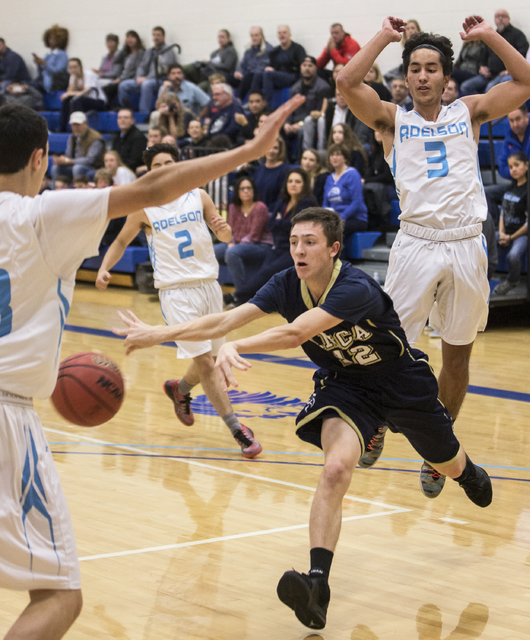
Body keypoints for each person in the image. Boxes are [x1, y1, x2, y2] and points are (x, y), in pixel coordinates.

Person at [0, 95, 303, 639]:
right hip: (8, 418)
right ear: (42, 158)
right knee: (59, 597)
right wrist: (251, 149)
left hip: (197, 285)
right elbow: (150, 193)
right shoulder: (40, 214)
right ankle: (225, 418)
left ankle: (190, 393)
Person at [114, 207, 493, 631]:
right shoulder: (285, 283)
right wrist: (158, 333)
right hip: (347, 387)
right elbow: (225, 318)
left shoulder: (355, 287)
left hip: (401, 382)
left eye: (310, 242)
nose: (299, 250)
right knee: (334, 470)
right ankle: (317, 585)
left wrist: (237, 347)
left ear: (333, 249)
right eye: (294, 242)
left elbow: (296, 334)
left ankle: (466, 471)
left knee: (448, 461)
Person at [336, 16, 530, 442]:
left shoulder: (468, 111)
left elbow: (529, 82)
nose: (423, 75)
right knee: (388, 349)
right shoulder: (391, 120)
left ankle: (439, 443)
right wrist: (384, 38)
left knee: (457, 356)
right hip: (415, 243)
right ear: (406, 77)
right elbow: (347, 82)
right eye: (414, 68)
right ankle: (374, 421)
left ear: (447, 77)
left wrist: (488, 35)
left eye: (432, 68)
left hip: (467, 243)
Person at [95, 142, 261, 457]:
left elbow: (224, 236)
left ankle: (180, 390)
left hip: (209, 286)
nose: (165, 169)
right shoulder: (143, 206)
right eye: (157, 166)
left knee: (209, 361)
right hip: (176, 291)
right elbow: (120, 241)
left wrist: (224, 231)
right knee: (205, 364)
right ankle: (238, 430)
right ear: (149, 171)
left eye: (169, 163)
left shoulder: (198, 195)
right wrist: (105, 268)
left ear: (178, 165)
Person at [230, 168, 317, 305]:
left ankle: (237, 296)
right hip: (278, 247)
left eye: (297, 182)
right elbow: (271, 224)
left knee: (269, 272)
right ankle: (256, 301)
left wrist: (280, 222)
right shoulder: (282, 202)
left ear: (304, 185)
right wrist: (282, 223)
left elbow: (297, 226)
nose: (293, 184)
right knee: (263, 272)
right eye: (290, 181)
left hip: (296, 250)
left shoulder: (307, 203)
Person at [216, 175, 272, 306]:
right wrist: (230, 244)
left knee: (232, 253)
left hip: (261, 246)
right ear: (237, 191)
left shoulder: (260, 207)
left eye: (248, 188)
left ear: (253, 191)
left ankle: (242, 296)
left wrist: (232, 248)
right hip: (238, 245)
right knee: (212, 252)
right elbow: (232, 231)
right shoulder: (233, 207)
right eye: (242, 188)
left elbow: (254, 236)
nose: (246, 191)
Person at [493, 152, 530, 295]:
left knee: (513, 255)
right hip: (507, 233)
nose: (513, 169)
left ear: (526, 165)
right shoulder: (509, 188)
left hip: (525, 235)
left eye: (516, 165)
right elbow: (503, 213)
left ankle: (512, 281)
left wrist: (511, 238)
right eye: (510, 166)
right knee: (483, 240)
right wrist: (501, 233)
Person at [460, 9, 529, 95]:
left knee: (490, 88)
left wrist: (510, 70)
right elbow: (482, 56)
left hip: (505, 74)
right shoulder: (491, 36)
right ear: (494, 20)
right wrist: (482, 68)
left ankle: (486, 107)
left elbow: (523, 54)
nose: (500, 18)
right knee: (466, 86)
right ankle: (478, 107)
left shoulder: (518, 35)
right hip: (489, 74)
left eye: (503, 16)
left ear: (508, 19)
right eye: (497, 16)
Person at [118, 26, 179, 113]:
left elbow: (162, 70)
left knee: (146, 85)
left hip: (161, 80)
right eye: (154, 35)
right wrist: (139, 76)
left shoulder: (168, 51)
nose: (156, 37)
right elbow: (142, 66)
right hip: (147, 79)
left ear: (163, 37)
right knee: (123, 85)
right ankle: (126, 110)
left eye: (158, 35)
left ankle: (144, 114)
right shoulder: (149, 51)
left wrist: (146, 78)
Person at [283, 56, 331, 157]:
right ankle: (285, 161)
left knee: (301, 131)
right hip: (294, 122)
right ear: (300, 68)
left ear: (315, 68)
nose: (307, 68)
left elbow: (319, 112)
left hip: (312, 122)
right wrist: (287, 123)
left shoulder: (323, 87)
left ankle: (301, 160)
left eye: (310, 65)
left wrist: (300, 124)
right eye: (304, 65)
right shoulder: (295, 87)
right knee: (280, 129)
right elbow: (289, 109)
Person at [250, 25, 306, 103]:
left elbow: (303, 66)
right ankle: (253, 101)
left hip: (292, 76)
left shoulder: (298, 49)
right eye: (279, 33)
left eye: (284, 32)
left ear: (290, 35)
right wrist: (268, 68)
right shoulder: (275, 51)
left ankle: (266, 104)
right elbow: (272, 66)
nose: (282, 35)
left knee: (267, 75)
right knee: (258, 75)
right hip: (278, 77)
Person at [323, 143, 368, 239]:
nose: (334, 157)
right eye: (332, 155)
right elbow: (325, 203)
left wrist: (342, 216)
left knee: (334, 229)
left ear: (345, 158)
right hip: (335, 219)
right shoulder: (329, 179)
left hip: (355, 218)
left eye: (338, 154)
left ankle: (337, 254)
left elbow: (357, 202)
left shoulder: (353, 174)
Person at [51, 111, 105, 182]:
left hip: (94, 167)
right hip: (74, 164)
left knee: (77, 168)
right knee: (55, 168)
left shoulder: (95, 138)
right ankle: (58, 190)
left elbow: (90, 160)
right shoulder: (72, 137)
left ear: (85, 124)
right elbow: (68, 155)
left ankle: (79, 189)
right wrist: (61, 160)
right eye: (73, 125)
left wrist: (69, 161)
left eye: (78, 125)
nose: (76, 128)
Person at [58, 57, 107, 132]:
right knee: (67, 101)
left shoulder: (89, 75)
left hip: (98, 101)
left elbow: (86, 93)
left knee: (77, 101)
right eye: (70, 68)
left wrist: (69, 93)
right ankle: (63, 128)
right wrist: (73, 82)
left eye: (75, 67)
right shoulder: (73, 77)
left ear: (80, 67)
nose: (72, 70)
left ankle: (80, 127)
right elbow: (69, 92)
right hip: (84, 101)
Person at [102, 30, 145, 108]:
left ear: (137, 39)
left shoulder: (140, 53)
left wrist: (121, 79)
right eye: (127, 37)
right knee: (106, 87)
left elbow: (137, 70)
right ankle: (108, 108)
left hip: (132, 78)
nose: (129, 39)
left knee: (111, 88)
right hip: (123, 77)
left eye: (132, 37)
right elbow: (117, 62)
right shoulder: (126, 53)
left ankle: (124, 106)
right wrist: (124, 47)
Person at [234, 27, 275, 100]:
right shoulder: (248, 50)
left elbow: (263, 66)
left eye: (256, 35)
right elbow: (243, 64)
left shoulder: (268, 49)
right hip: (247, 74)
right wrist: (239, 72)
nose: (254, 38)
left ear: (262, 36)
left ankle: (239, 100)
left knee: (250, 76)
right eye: (252, 36)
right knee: (228, 77)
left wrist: (245, 73)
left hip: (259, 76)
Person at [251, 136, 290, 208]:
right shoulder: (259, 169)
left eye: (275, 148)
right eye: (268, 147)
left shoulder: (285, 170)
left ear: (280, 150)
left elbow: (283, 197)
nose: (271, 151)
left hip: (274, 213)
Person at [32, 24, 69, 92]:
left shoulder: (62, 54)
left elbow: (58, 71)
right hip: (44, 81)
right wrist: (39, 64)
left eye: (54, 39)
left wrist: (45, 64)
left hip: (55, 83)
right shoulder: (48, 54)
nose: (51, 41)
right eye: (50, 38)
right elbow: (42, 72)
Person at [110, 108, 148, 173]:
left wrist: (118, 167)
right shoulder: (117, 137)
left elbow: (135, 161)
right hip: (118, 169)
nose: (122, 120)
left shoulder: (138, 137)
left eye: (126, 118)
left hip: (132, 172)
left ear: (132, 121)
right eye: (120, 118)